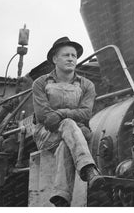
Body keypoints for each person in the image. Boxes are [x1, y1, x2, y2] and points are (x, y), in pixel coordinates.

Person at [32, 36, 103, 206]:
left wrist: (61, 113)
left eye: (74, 55)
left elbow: (86, 113)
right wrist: (69, 117)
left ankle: (61, 198)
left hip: (74, 134)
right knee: (68, 124)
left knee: (66, 142)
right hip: (46, 135)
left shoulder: (87, 85)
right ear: (55, 59)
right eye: (66, 55)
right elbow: (45, 118)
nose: (71, 58)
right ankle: (88, 168)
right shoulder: (40, 83)